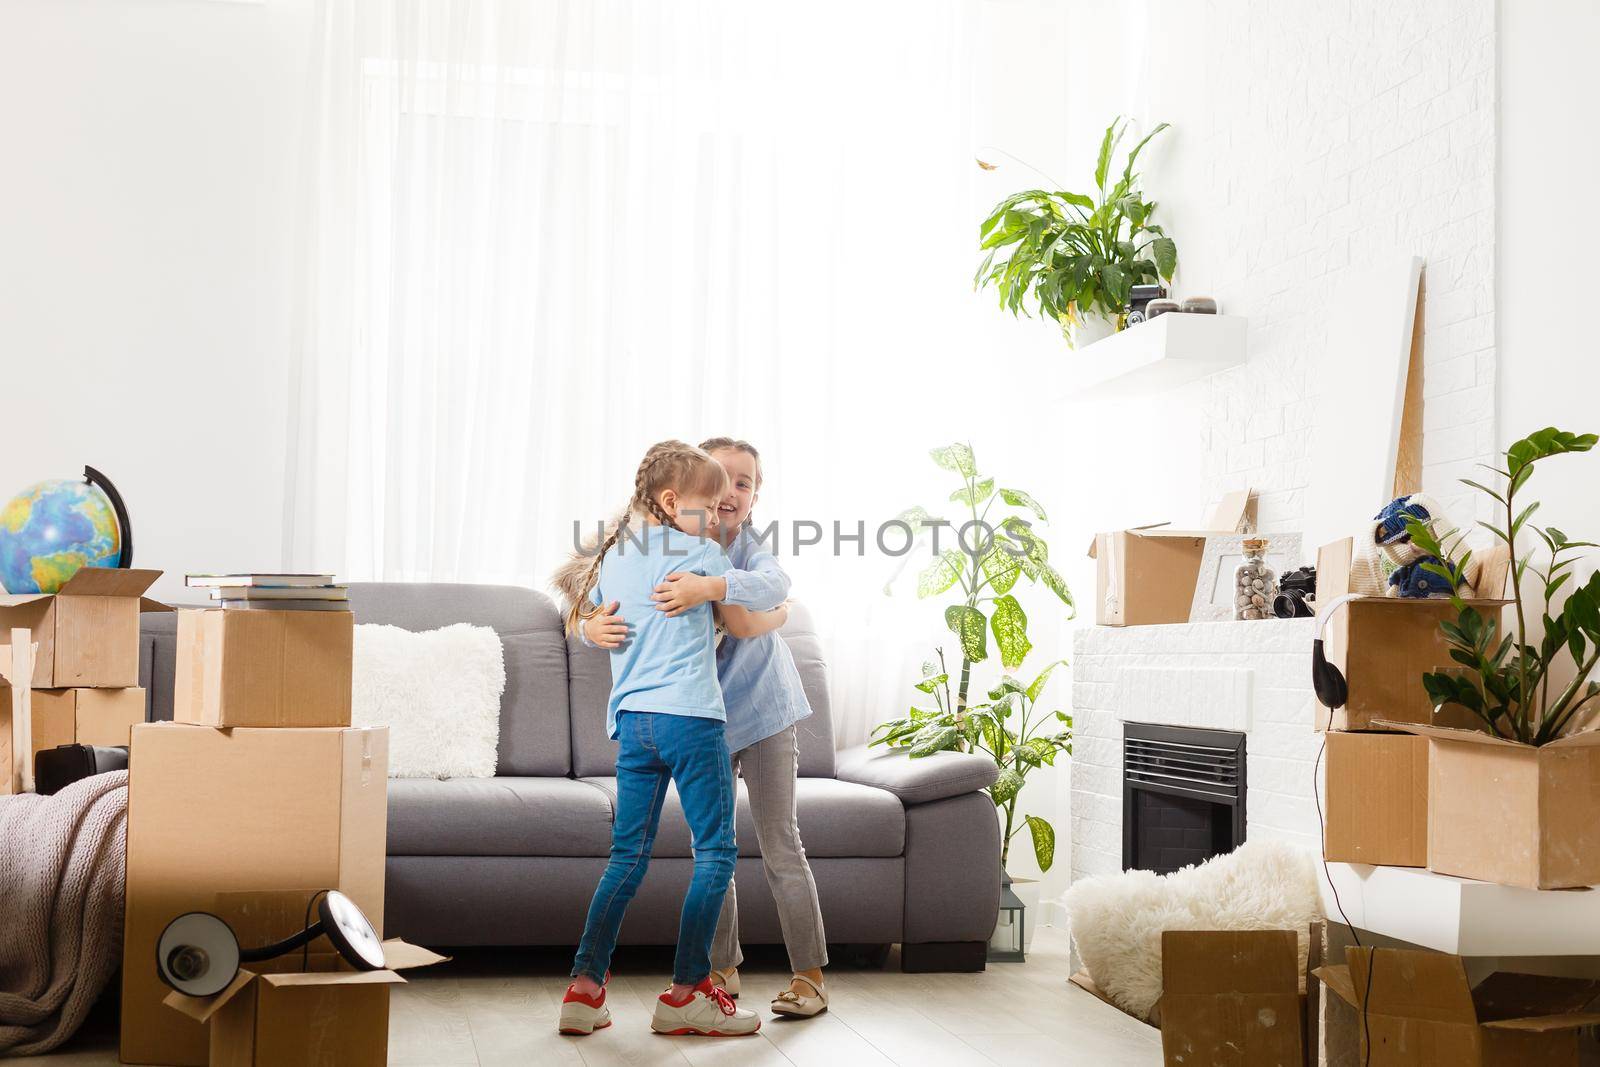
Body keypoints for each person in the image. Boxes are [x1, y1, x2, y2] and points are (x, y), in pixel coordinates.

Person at [583, 437, 829, 1018]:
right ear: (695, 491)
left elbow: (759, 604)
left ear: (752, 498)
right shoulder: (648, 541)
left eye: (744, 484)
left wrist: (716, 587)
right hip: (696, 715)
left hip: (762, 710)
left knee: (779, 841)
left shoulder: (742, 548)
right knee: (709, 847)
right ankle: (719, 970)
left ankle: (809, 976)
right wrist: (592, 626)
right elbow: (589, 593)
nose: (731, 494)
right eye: (723, 480)